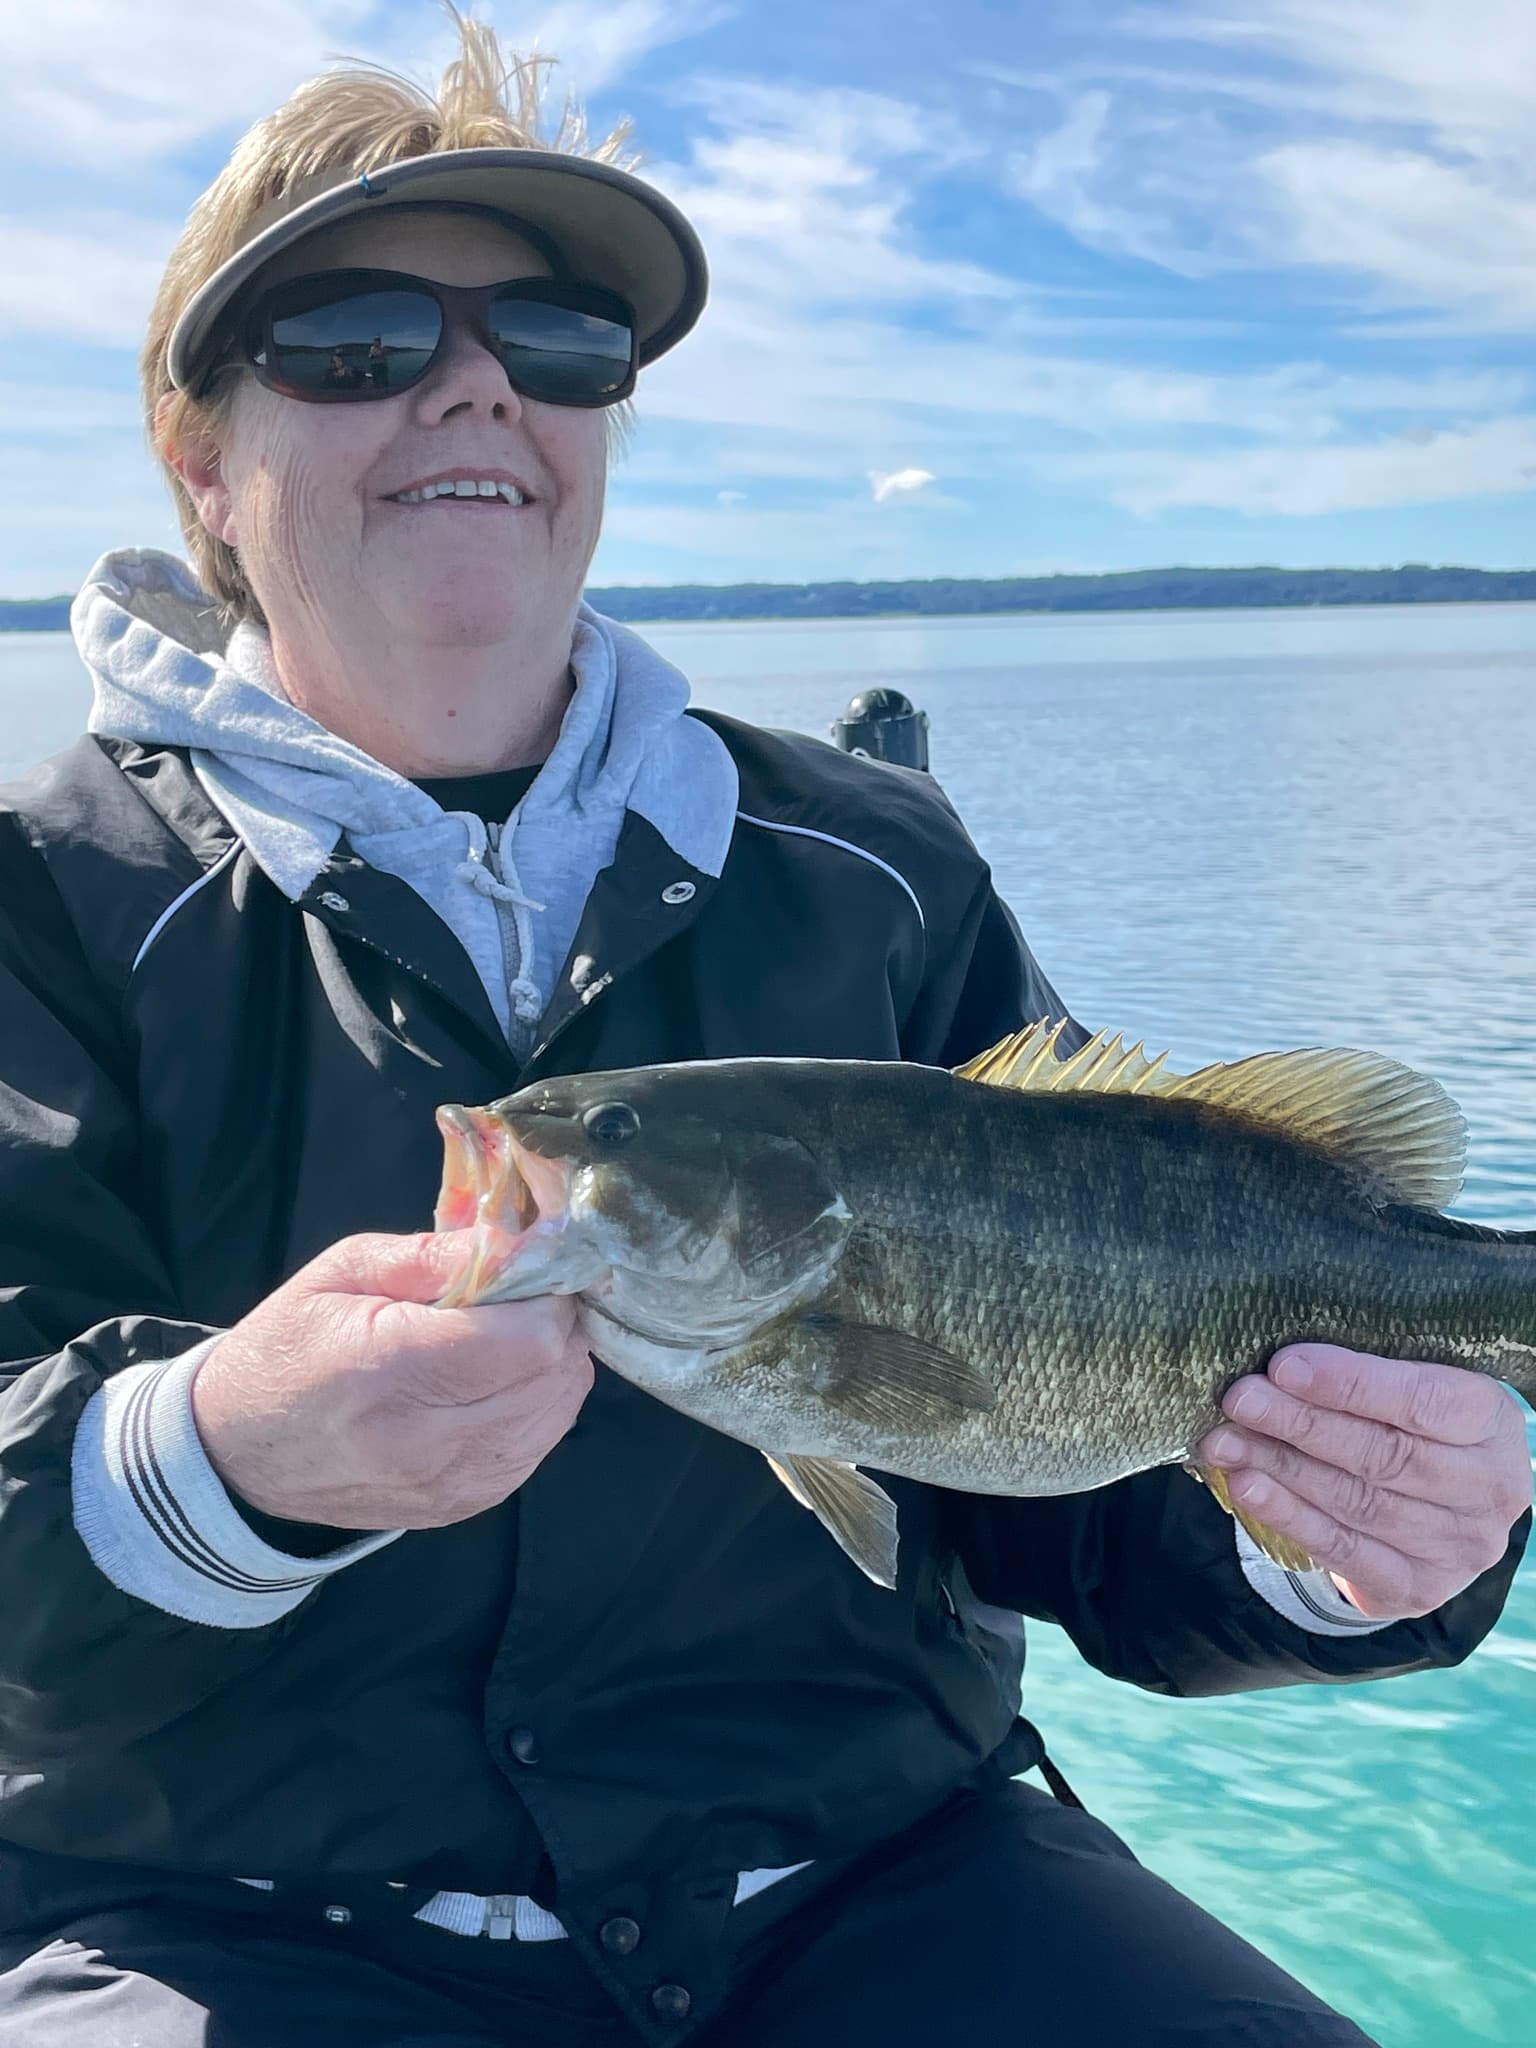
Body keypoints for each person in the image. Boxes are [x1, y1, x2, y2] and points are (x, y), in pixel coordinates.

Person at [0, 18, 1528, 2048]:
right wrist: (220, 1454)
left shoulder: (879, 868)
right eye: (357, 336)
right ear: (200, 455)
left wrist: (1353, 1549)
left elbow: (1063, 1464)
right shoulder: (43, 896)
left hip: (889, 1874)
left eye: (554, 338)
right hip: (224, 1916)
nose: (476, 382)